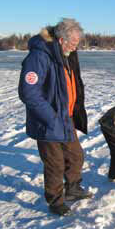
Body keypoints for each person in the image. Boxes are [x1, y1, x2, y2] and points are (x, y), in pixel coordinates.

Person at [18, 18, 92, 216]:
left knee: (76, 156)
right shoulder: (39, 57)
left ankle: (73, 188)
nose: (76, 48)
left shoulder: (64, 54)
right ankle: (55, 201)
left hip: (65, 118)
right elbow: (29, 93)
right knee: (55, 164)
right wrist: (51, 118)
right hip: (48, 121)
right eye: (73, 43)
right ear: (61, 40)